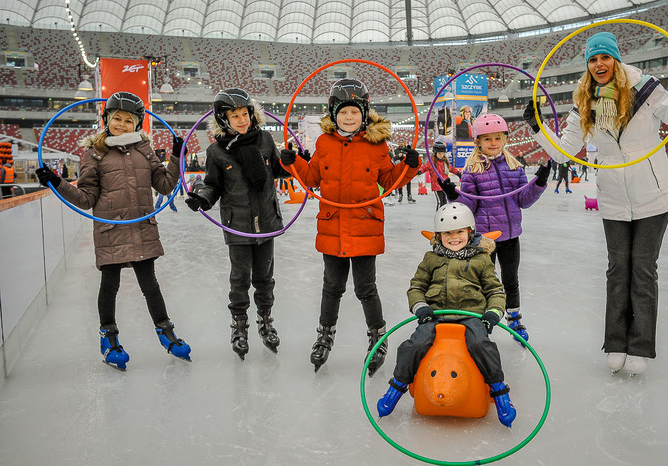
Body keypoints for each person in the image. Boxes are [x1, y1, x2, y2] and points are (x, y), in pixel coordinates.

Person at [523, 31, 668, 376]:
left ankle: (639, 346)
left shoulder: (646, 88)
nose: (598, 65)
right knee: (616, 270)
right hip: (613, 197)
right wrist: (537, 127)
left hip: (654, 195)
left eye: (604, 58)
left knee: (642, 268)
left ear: (616, 59)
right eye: (592, 60)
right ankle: (615, 343)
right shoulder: (584, 102)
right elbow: (564, 152)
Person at [35, 91, 191, 370]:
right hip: (111, 229)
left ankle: (167, 332)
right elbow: (86, 199)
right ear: (106, 119)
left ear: (137, 124)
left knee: (151, 286)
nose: (121, 124)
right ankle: (109, 338)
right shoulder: (94, 154)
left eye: (128, 120)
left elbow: (166, 185)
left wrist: (177, 157)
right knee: (110, 286)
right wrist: (56, 182)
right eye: (116, 118)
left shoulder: (145, 150)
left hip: (141, 226)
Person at [280, 78, 421, 376]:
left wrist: (408, 166)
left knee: (366, 288)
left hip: (364, 225)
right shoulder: (324, 143)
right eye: (343, 112)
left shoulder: (377, 145)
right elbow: (312, 179)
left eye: (354, 112)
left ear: (365, 113)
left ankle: (377, 337)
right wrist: (292, 163)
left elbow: (389, 181)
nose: (348, 117)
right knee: (331, 287)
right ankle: (325, 334)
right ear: (333, 114)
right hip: (333, 226)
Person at [375, 203, 516, 427]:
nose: (453, 237)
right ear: (439, 236)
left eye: (459, 231)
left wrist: (492, 314)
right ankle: (397, 386)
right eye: (447, 233)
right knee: (415, 344)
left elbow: (495, 290)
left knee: (481, 344)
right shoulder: (431, 259)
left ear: (470, 233)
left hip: (471, 315)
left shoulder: (481, 260)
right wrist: (421, 307)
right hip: (436, 315)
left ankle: (499, 391)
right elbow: (416, 287)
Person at [184, 88, 288, 360]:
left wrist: (291, 162)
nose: (242, 120)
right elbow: (212, 185)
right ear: (223, 120)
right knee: (240, 280)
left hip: (266, 223)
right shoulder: (217, 151)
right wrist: (202, 199)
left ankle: (265, 321)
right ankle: (239, 325)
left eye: (245, 114)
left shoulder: (265, 139)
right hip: (238, 226)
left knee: (265, 280)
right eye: (235, 116)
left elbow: (279, 170)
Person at [438, 113, 550, 346]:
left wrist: (539, 183)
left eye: (497, 138)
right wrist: (453, 196)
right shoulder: (473, 171)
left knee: (510, 280)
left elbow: (523, 200)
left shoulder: (514, 167)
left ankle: (514, 318)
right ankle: (480, 320)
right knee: (485, 281)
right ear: (478, 141)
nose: (493, 143)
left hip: (510, 236)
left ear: (505, 139)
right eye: (487, 139)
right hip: (485, 238)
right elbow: (469, 207)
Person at [422, 141, 461, 210]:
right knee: (440, 202)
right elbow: (425, 167)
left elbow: (451, 168)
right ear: (435, 153)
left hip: (445, 185)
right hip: (437, 185)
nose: (441, 155)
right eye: (439, 153)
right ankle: (439, 216)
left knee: (445, 202)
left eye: (443, 153)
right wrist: (419, 171)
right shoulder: (432, 162)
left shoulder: (445, 162)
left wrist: (458, 174)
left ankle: (444, 216)